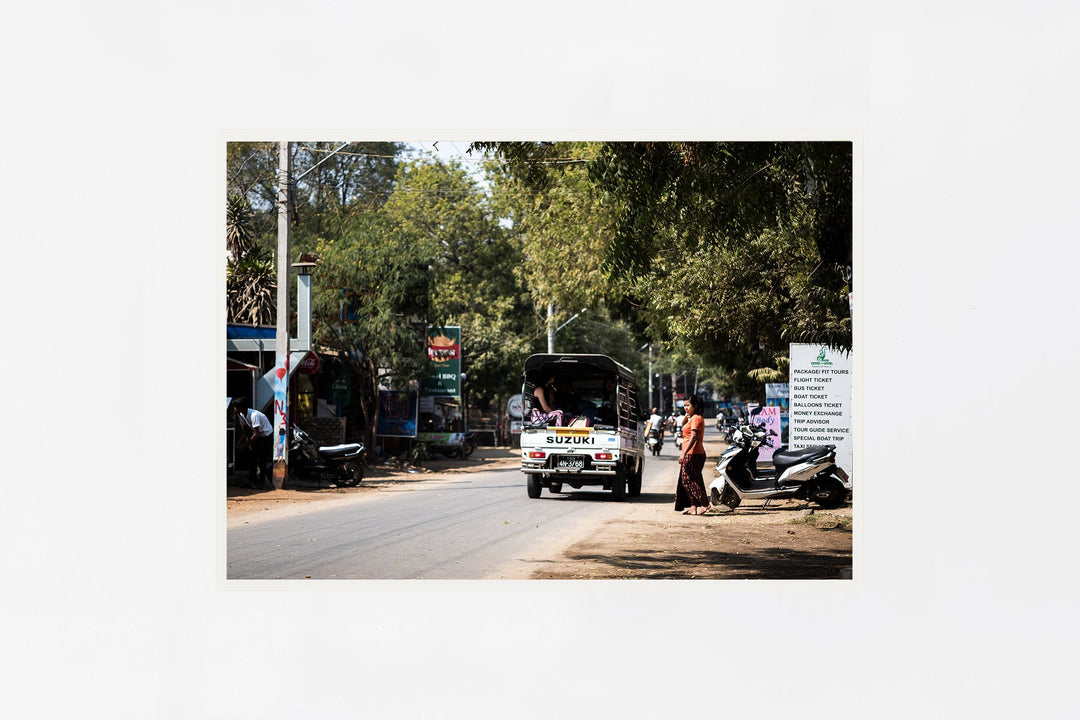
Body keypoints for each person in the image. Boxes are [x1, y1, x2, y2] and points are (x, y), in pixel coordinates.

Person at [674, 394, 710, 515]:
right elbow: (683, 426)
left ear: (696, 405)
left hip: (692, 453)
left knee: (687, 480)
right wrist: (687, 415)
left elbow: (693, 437)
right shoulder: (692, 417)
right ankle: (693, 507)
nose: (685, 408)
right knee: (696, 480)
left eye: (687, 405)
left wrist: (683, 454)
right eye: (684, 406)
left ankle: (705, 503)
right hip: (694, 453)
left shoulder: (696, 418)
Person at [234, 400, 274, 488]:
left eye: (236, 407)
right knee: (252, 457)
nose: (234, 409)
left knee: (261, 458)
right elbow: (245, 430)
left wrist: (245, 445)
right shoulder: (241, 415)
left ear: (241, 407)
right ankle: (253, 480)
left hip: (266, 435)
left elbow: (256, 434)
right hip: (258, 436)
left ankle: (261, 483)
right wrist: (239, 442)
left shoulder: (254, 415)